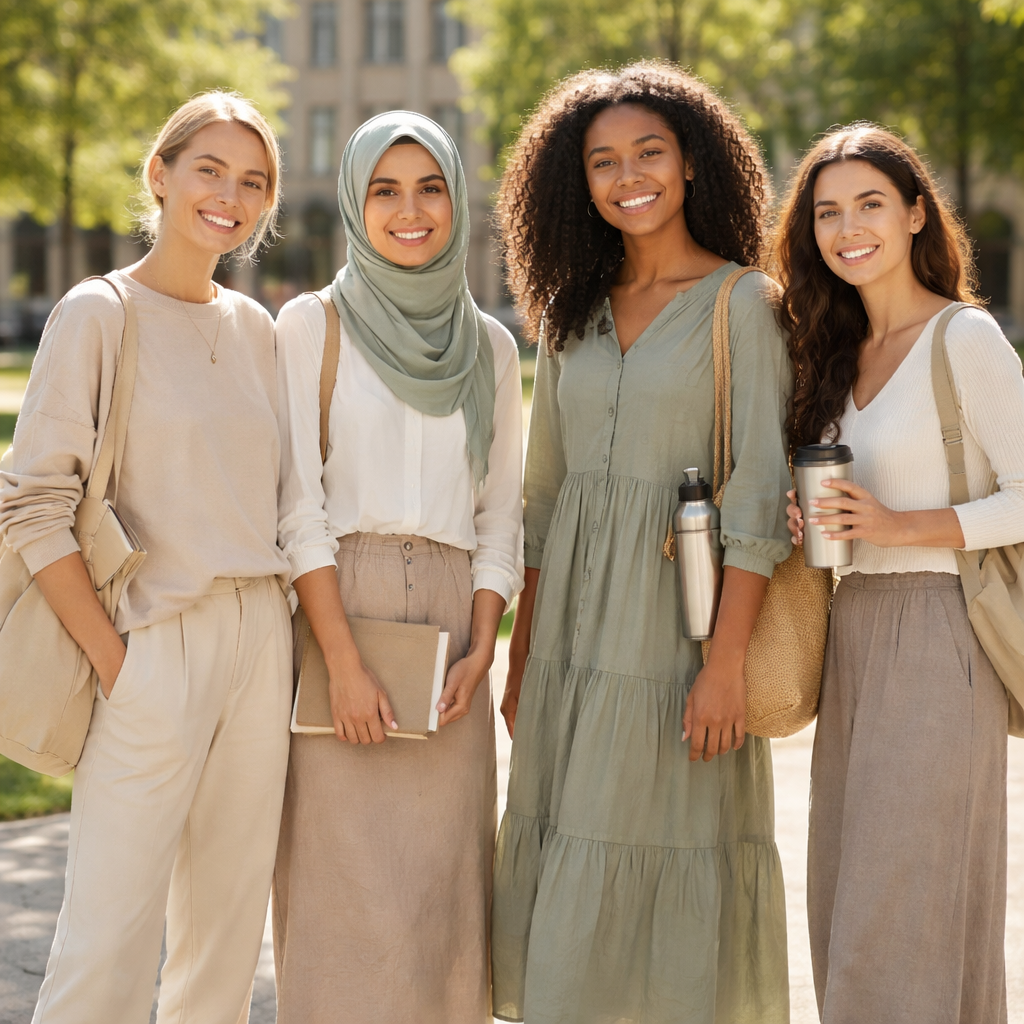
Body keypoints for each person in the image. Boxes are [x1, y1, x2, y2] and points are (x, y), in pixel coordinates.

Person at [491, 62, 793, 1024]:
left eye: (649, 152)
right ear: (575, 181)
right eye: (603, 160)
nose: (629, 175)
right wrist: (523, 648)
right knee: (569, 838)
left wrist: (727, 664)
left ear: (693, 163)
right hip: (571, 637)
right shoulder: (567, 315)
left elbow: (758, 491)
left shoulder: (746, 304)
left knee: (668, 838)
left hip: (681, 632)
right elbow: (544, 495)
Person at [0, 92, 293, 1023]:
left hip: (262, 640)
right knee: (108, 940)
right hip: (151, 637)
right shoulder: (98, 312)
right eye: (208, 169)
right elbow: (33, 505)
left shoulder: (257, 330)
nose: (229, 196)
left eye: (253, 182)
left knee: (224, 936)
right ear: (160, 176)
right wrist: (117, 664)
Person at [272, 111, 524, 1024]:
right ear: (355, 200)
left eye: (430, 188)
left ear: (458, 199)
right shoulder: (311, 326)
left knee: (443, 897)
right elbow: (296, 505)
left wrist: (483, 647)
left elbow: (500, 515)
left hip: (457, 626)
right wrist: (340, 661)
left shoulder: (491, 347)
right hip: (342, 606)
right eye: (385, 189)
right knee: (340, 894)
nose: (409, 211)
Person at [778, 123, 1024, 1024]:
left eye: (870, 204)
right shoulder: (836, 356)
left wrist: (898, 523)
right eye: (828, 211)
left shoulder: (963, 337)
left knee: (902, 906)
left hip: (939, 637)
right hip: (855, 631)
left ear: (917, 213)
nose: (848, 228)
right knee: (846, 898)